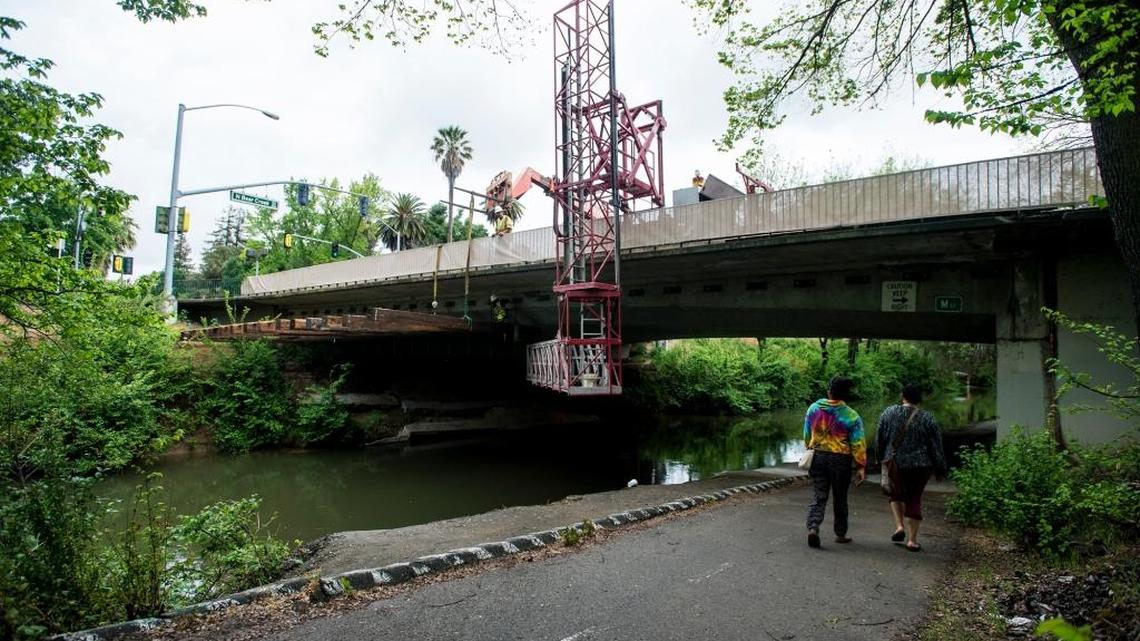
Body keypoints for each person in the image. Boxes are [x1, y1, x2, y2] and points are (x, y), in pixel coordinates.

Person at [876, 383, 947, 552]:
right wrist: (940, 467)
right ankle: (912, 540)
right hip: (920, 466)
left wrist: (880, 458)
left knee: (895, 493)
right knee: (914, 498)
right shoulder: (927, 418)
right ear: (919, 399)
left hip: (895, 463)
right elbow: (936, 445)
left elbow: (880, 438)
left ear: (903, 396)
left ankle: (900, 526)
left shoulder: (889, 413)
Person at [804, 376, 867, 548]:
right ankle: (840, 534)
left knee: (819, 495)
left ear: (829, 391)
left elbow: (807, 435)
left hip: (818, 456)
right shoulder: (851, 415)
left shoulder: (814, 409)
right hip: (841, 460)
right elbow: (858, 444)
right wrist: (861, 466)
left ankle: (813, 527)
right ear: (845, 395)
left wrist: (810, 448)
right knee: (840, 497)